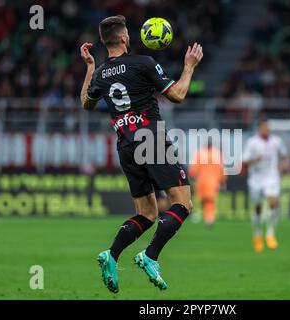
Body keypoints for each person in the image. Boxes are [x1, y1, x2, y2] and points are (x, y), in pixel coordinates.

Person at [79, 15, 203, 293]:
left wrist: (89, 67)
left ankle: (111, 254)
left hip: (125, 145)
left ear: (103, 41)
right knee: (183, 204)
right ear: (124, 38)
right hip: (151, 139)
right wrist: (189, 66)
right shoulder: (143, 63)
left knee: (146, 213)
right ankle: (150, 256)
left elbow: (87, 103)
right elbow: (178, 95)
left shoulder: (100, 73)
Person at [242, 117, 288, 252]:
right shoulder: (252, 142)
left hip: (271, 177)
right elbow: (244, 160)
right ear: (259, 129)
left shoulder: (276, 141)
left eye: (268, 127)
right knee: (258, 208)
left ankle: (270, 234)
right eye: (264, 127)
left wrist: (281, 168)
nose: (267, 130)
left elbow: (284, 155)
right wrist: (254, 160)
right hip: (256, 179)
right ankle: (257, 235)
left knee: (273, 203)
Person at [189, 139, 226, 227]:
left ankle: (205, 216)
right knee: (209, 200)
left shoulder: (200, 153)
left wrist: (193, 177)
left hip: (202, 181)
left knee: (205, 200)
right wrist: (222, 180)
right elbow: (222, 168)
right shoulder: (217, 154)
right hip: (213, 181)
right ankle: (209, 217)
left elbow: (193, 169)